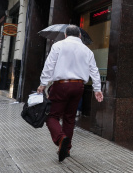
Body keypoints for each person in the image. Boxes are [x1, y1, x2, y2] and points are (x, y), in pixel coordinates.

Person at [37, 25, 104, 162]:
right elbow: (94, 71)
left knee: (51, 116)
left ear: (66, 35)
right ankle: (66, 150)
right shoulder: (87, 50)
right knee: (69, 118)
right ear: (79, 36)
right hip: (78, 86)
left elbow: (49, 65)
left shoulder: (58, 45)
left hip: (61, 85)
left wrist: (43, 84)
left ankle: (61, 139)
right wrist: (97, 89)